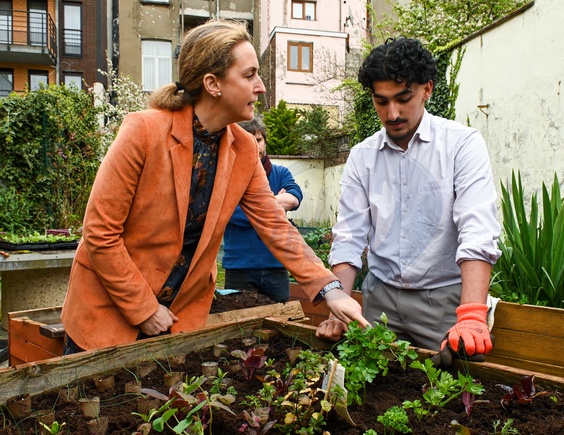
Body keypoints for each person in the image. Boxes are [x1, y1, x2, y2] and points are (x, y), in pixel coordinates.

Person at [60, 20, 368, 354]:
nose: (261, 87)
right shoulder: (143, 131)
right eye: (249, 75)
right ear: (212, 83)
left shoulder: (244, 148)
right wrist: (144, 309)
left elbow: (276, 226)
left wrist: (330, 289)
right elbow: (100, 232)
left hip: (176, 319)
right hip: (106, 315)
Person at [315, 37, 501, 357]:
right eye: (381, 101)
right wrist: (338, 307)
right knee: (371, 380)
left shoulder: (461, 144)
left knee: (449, 384)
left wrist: (471, 314)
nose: (392, 113)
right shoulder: (362, 157)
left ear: (427, 89)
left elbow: (477, 228)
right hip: (379, 299)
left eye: (403, 98)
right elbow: (349, 236)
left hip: (442, 302)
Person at [222, 117, 302, 302]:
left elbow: (294, 199)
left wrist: (250, 205)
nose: (254, 145)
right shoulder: (226, 177)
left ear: (265, 141)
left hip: (276, 266)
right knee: (240, 319)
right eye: (248, 140)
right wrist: (276, 207)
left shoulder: (281, 173)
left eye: (258, 140)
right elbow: (230, 213)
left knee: (280, 318)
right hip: (239, 269)